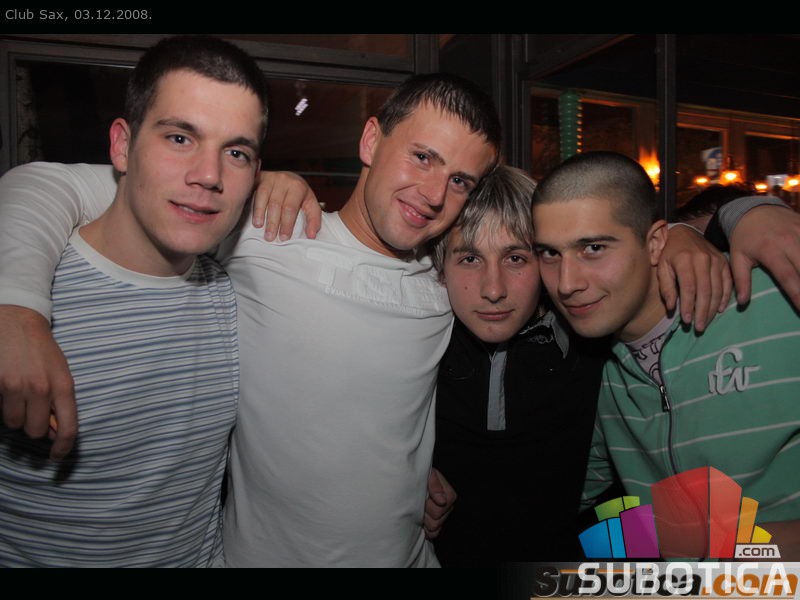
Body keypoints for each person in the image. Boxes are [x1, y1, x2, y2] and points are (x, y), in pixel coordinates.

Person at [1, 79, 798, 564]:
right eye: (421, 157)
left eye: (460, 179)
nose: (433, 192)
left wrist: (723, 218)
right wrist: (18, 308)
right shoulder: (269, 235)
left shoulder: (442, 293)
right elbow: (56, 185)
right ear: (371, 139)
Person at [0, 35, 272, 567]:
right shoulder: (29, 302)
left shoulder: (234, 294)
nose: (209, 175)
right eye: (179, 138)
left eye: (235, 153)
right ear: (122, 146)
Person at [531, 151, 800, 559]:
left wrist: (756, 551)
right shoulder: (596, 370)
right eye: (550, 253)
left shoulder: (771, 299)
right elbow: (550, 496)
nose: (566, 283)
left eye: (594, 248)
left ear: (656, 242)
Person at [429, 165, 613, 565]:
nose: (493, 289)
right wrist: (404, 474)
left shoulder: (596, 346)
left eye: (515, 257)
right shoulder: (416, 342)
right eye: (470, 258)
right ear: (439, 269)